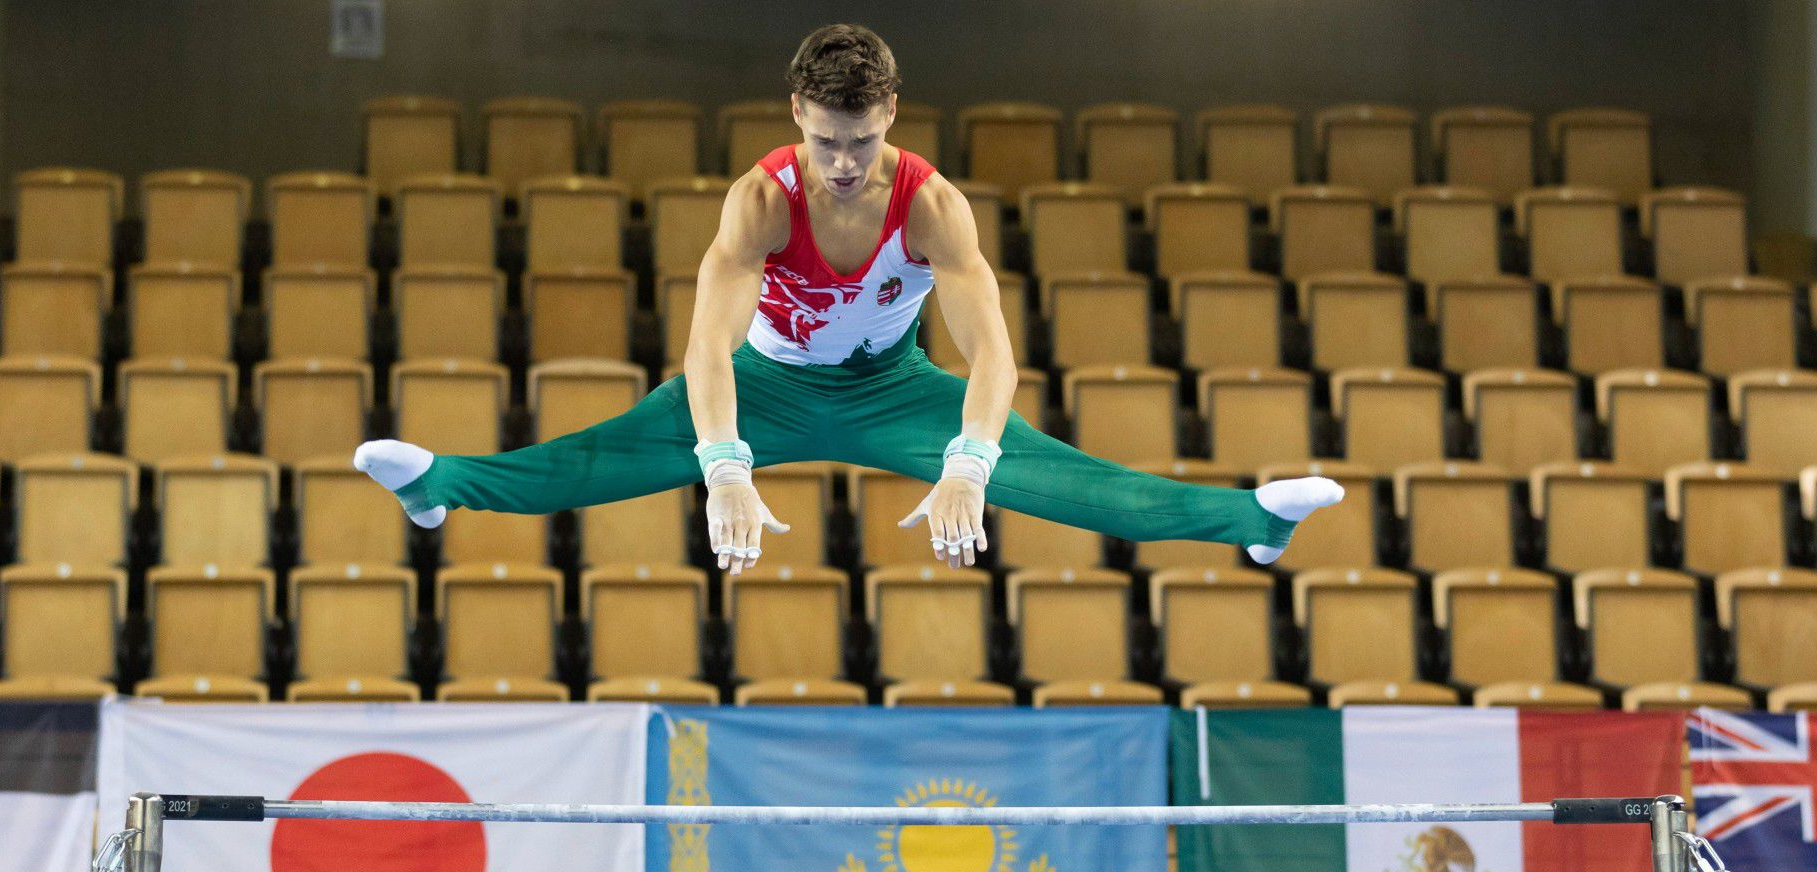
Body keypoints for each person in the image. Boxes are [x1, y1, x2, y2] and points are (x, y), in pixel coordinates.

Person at [354, 23, 1341, 575]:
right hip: (764, 386)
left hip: (894, 391)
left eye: (861, 141)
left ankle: (1253, 524)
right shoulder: (758, 204)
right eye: (825, 139)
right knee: (589, 463)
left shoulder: (933, 207)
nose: (841, 162)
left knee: (1069, 486)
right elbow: (705, 350)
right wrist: (727, 468)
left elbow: (992, 354)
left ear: (890, 119)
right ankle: (437, 489)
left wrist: (967, 463)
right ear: (797, 115)